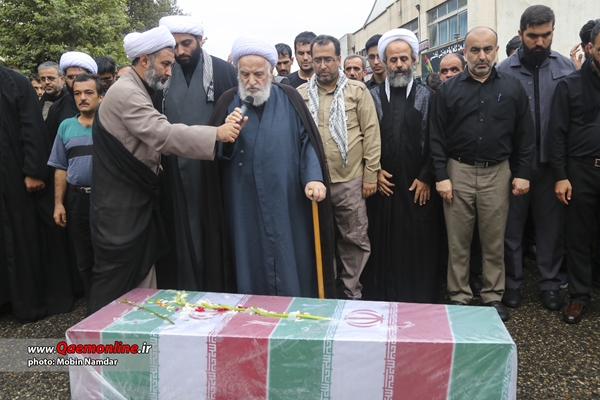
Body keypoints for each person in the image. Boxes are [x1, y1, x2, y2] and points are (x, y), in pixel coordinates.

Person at [88, 26, 242, 314]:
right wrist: (216, 134)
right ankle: (98, 337)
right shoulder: (128, 93)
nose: (170, 72)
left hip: (135, 200)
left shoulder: (137, 87)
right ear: (144, 60)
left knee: (141, 270)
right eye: (166, 64)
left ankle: (135, 328)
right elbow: (163, 134)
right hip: (121, 205)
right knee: (117, 277)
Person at [211, 36, 336, 298]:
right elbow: (214, 155)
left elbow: (307, 142)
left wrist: (313, 178)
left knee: (291, 255)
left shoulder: (290, 98)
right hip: (243, 203)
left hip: (287, 199)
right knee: (249, 259)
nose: (251, 81)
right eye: (245, 74)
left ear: (271, 71)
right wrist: (226, 135)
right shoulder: (227, 102)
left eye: (258, 74)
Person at [430, 26, 535, 322]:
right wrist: (441, 175)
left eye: (487, 49)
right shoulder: (448, 90)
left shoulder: (512, 88)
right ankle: (459, 295)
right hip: (458, 171)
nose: (481, 56)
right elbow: (435, 137)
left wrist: (523, 173)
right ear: (465, 52)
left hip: (498, 172)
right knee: (458, 240)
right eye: (475, 50)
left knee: (494, 239)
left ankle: (492, 296)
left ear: (496, 51)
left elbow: (525, 136)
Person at [496, 5, 575, 311]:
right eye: (532, 36)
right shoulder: (503, 71)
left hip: (552, 165)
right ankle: (512, 283)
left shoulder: (566, 68)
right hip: (514, 166)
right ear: (520, 34)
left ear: (552, 32)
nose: (539, 42)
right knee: (511, 228)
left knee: (550, 229)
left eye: (546, 35)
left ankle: (549, 284)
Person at [156, 15, 238, 291]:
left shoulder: (223, 71)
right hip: (173, 171)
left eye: (186, 43)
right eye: (174, 45)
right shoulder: (163, 73)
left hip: (215, 170)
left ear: (200, 40)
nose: (180, 51)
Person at [297, 35, 380, 299]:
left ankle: (351, 291)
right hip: (315, 182)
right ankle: (327, 291)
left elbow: (371, 134)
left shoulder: (357, 91)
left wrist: (371, 175)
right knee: (320, 239)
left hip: (350, 179)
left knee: (354, 238)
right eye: (317, 60)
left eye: (328, 59)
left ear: (338, 59)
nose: (322, 66)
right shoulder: (300, 95)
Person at [363, 29, 439, 303]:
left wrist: (426, 176)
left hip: (416, 186)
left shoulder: (427, 96)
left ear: (414, 60)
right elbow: (361, 139)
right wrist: (373, 171)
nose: (398, 65)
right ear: (384, 62)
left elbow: (437, 140)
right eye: (393, 60)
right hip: (381, 188)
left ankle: (417, 301)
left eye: (404, 59)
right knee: (380, 242)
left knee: (417, 245)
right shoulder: (370, 96)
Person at [0, 66, 75, 321]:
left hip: (14, 178)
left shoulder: (15, 83)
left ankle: (25, 300)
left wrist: (33, 171)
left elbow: (31, 128)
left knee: (19, 237)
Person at [550, 23, 600, 324]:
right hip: (581, 170)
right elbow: (556, 133)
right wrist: (560, 175)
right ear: (590, 48)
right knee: (578, 236)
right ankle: (579, 296)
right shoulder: (569, 85)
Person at [48, 74, 104, 305]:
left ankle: (112, 304)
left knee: (108, 253)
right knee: (84, 257)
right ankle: (93, 306)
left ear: (101, 97)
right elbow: (60, 167)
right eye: (78, 93)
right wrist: (58, 204)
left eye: (89, 93)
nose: (82, 98)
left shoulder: (109, 125)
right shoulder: (65, 126)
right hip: (77, 200)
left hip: (106, 200)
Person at [46, 52, 97, 142]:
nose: (75, 81)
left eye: (79, 76)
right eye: (70, 77)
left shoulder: (106, 105)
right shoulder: (57, 108)